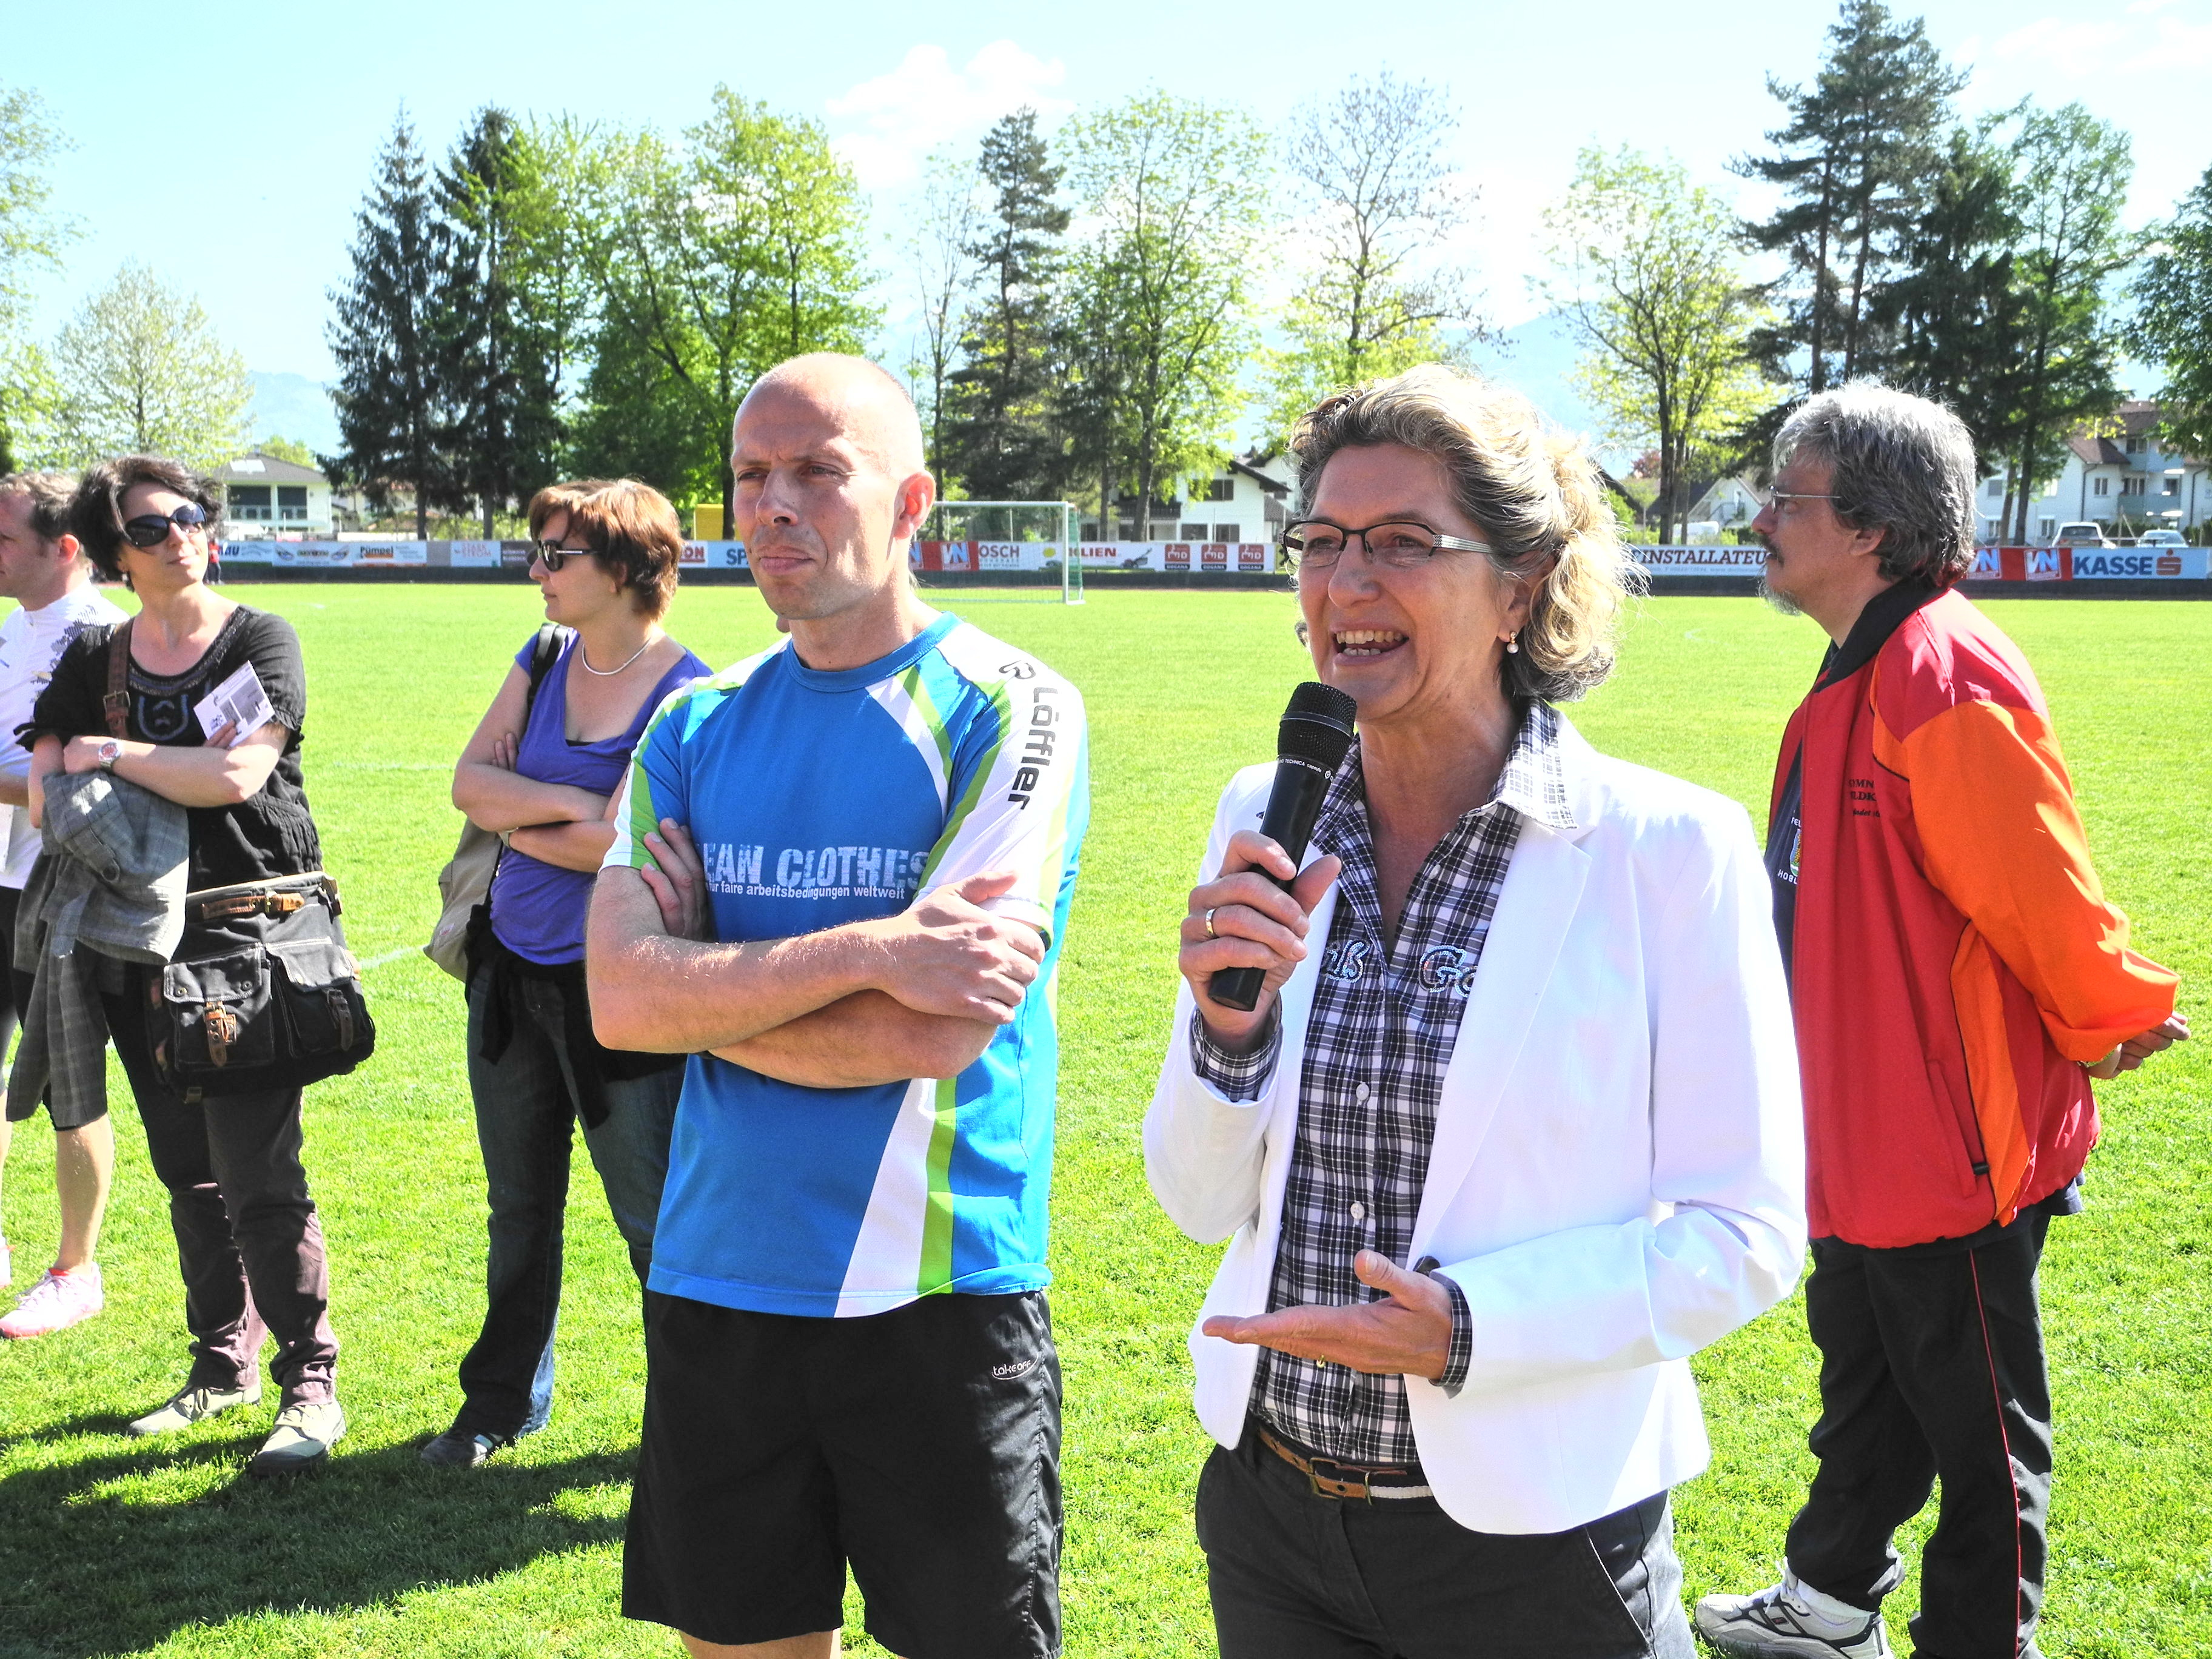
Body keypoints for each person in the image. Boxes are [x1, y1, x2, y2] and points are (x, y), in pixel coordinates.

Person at [1144, 364, 1807, 1659]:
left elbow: (1747, 1234)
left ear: (1521, 586)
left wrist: (1468, 1331)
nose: (1346, 583)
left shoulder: (1668, 849)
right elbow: (1197, 1201)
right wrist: (1228, 1037)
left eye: (1403, 543)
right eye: (1322, 542)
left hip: (1537, 1544)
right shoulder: (1266, 810)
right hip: (1275, 1521)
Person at [588, 352, 1088, 1659]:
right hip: (720, 1276)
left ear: (912, 502)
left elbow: (935, 1031)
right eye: (751, 475)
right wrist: (871, 948)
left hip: (935, 1292)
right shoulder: (692, 721)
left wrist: (706, 985)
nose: (773, 505)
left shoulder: (1013, 706)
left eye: (818, 470)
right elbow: (621, 1001)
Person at [1695, 386, 2188, 1659]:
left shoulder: (1941, 669)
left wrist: (2111, 1013)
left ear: (1869, 526)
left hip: (1947, 1142)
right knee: (1864, 1389)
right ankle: (1828, 1605)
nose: (1762, 521)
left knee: (1980, 1436)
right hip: (1857, 1125)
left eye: (1787, 499)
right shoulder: (1862, 667)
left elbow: (2037, 887)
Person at [23, 455, 346, 1475]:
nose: (180, 538)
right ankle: (221, 1365)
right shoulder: (99, 652)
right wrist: (60, 777)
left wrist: (111, 757)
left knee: (257, 1173)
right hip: (132, 945)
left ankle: (311, 1383)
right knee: (187, 1172)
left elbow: (238, 773)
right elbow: (44, 753)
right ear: (116, 554)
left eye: (191, 518)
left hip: (245, 939)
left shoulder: (259, 639)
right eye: (151, 529)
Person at [423, 478, 708, 1469]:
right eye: (534, 550)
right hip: (507, 972)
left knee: (652, 1219)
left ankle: (692, 1422)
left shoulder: (690, 694)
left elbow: (626, 846)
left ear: (626, 568)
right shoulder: (543, 656)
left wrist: (521, 812)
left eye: (557, 555)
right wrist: (571, 809)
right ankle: (498, 1404)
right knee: (519, 1209)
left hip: (618, 988)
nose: (536, 571)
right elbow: (469, 785)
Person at [0, 472, 126, 1338]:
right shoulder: (12, 630)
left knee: (68, 1089)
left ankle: (75, 1270)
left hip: (60, 892)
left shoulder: (106, 640)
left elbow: (97, 785)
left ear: (66, 547)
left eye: (5, 537)